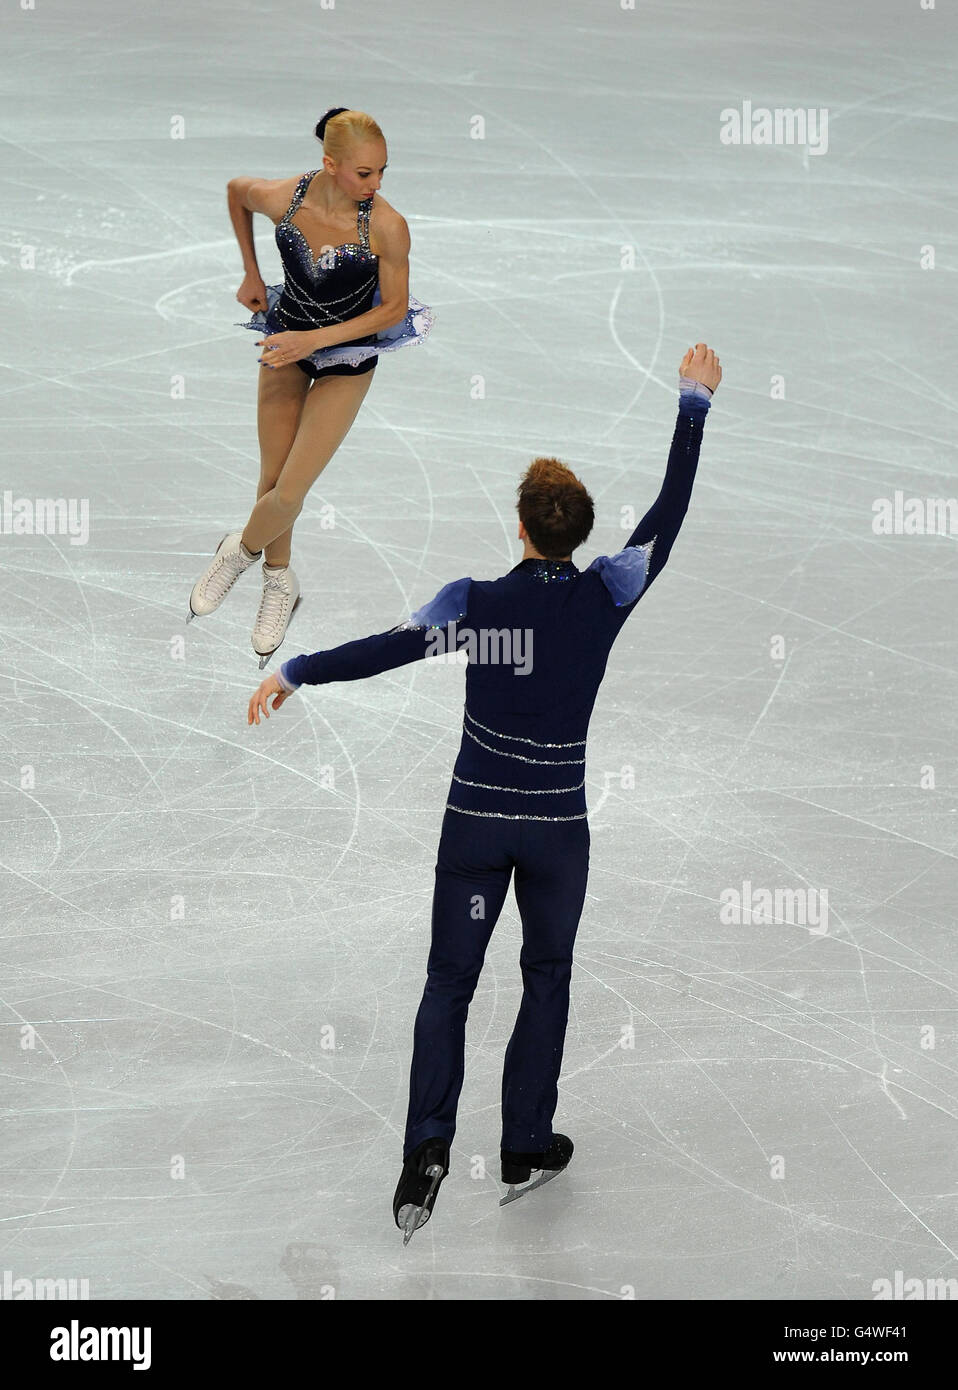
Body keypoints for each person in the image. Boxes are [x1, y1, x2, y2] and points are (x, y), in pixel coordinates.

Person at [247, 342, 722, 1241]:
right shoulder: (608, 594)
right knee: (545, 977)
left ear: (521, 526)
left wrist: (298, 668)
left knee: (448, 984)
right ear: (575, 535)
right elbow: (667, 517)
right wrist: (692, 404)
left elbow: (386, 649)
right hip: (555, 835)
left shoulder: (473, 606)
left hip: (475, 825)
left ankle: (426, 1153)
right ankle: (524, 1144)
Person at [186, 107, 434, 667]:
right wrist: (250, 271)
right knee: (270, 479)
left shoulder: (386, 226)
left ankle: (238, 551)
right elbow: (236, 192)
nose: (376, 185)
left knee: (290, 492)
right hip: (284, 344)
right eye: (365, 173)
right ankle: (280, 582)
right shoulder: (286, 199)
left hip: (346, 357)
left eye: (382, 172)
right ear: (330, 164)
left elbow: (393, 309)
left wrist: (314, 339)